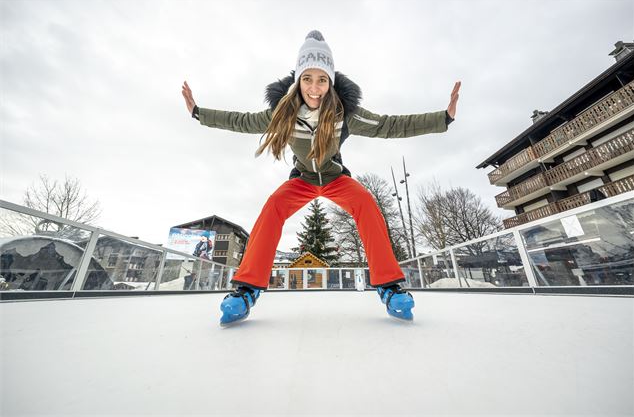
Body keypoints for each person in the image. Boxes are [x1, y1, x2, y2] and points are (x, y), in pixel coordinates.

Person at [182, 30, 461, 326]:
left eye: (322, 80)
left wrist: (443, 117)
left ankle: (389, 286)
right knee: (274, 205)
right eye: (308, 79)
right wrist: (198, 113)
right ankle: (246, 289)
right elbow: (242, 121)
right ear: (298, 81)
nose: (315, 89)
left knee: (365, 201)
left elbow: (388, 125)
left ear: (330, 82)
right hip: (302, 179)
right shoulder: (283, 114)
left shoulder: (344, 113)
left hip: (333, 176)